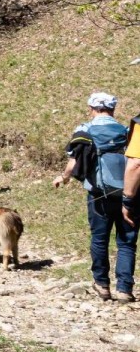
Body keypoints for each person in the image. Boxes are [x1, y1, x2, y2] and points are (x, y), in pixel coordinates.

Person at [54, 91, 135, 302]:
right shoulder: (127, 131)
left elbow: (74, 161)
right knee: (126, 242)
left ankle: (102, 284)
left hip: (99, 194)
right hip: (129, 195)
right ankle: (125, 289)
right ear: (113, 109)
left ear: (92, 108)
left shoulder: (85, 129)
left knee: (100, 239)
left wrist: (63, 178)